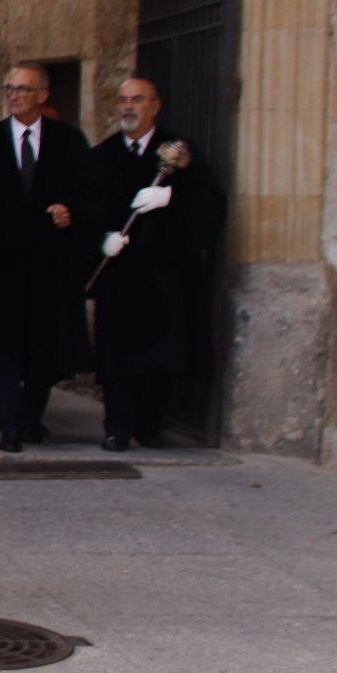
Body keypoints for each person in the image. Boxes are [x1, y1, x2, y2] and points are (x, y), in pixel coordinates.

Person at [0, 60, 90, 452]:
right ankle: (9, 422)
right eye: (9, 88)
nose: (14, 95)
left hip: (48, 265)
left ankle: (30, 417)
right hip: (0, 263)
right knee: (3, 348)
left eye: (23, 89)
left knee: (43, 349)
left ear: (43, 95)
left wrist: (70, 212)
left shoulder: (68, 141)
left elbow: (88, 192)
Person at [87, 77, 228, 450]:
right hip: (120, 275)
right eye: (123, 100)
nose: (128, 107)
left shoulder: (179, 153)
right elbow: (85, 206)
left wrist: (171, 199)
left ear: (155, 105)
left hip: (163, 271)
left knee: (159, 352)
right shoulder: (102, 156)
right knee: (117, 355)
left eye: (137, 99)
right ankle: (117, 425)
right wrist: (101, 239)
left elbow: (210, 205)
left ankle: (149, 424)